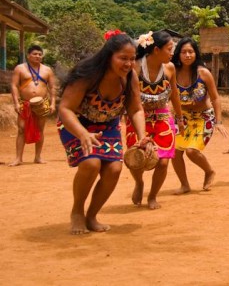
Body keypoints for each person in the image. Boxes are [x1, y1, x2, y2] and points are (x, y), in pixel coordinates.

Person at [57, 31, 152, 234]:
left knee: (114, 170)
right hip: (76, 124)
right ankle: (77, 212)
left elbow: (135, 109)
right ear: (109, 56)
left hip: (108, 125)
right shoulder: (88, 74)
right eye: (123, 58)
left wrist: (142, 136)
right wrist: (83, 134)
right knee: (91, 163)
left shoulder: (130, 77)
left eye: (132, 59)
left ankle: (92, 215)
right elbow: (65, 109)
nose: (128, 64)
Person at [126, 31, 184, 209]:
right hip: (138, 119)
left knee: (163, 161)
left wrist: (180, 119)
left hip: (162, 118)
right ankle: (139, 183)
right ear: (156, 50)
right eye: (169, 49)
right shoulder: (134, 67)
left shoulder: (170, 68)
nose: (172, 53)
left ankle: (152, 196)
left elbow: (174, 94)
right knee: (136, 158)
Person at [170, 38, 229, 194]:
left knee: (191, 151)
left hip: (204, 118)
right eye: (184, 52)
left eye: (191, 51)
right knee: (174, 152)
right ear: (178, 54)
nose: (188, 55)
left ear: (196, 53)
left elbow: (215, 98)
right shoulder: (172, 73)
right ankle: (184, 185)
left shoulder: (204, 73)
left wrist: (219, 121)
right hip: (182, 118)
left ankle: (209, 171)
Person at [9, 45, 56, 166]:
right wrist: (15, 102)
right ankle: (18, 158)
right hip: (25, 103)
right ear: (28, 55)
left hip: (42, 103)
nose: (38, 56)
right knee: (21, 129)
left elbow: (52, 87)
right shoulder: (20, 68)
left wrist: (53, 103)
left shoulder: (47, 70)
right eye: (35, 54)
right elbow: (14, 86)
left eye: (40, 54)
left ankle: (38, 157)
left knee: (40, 129)